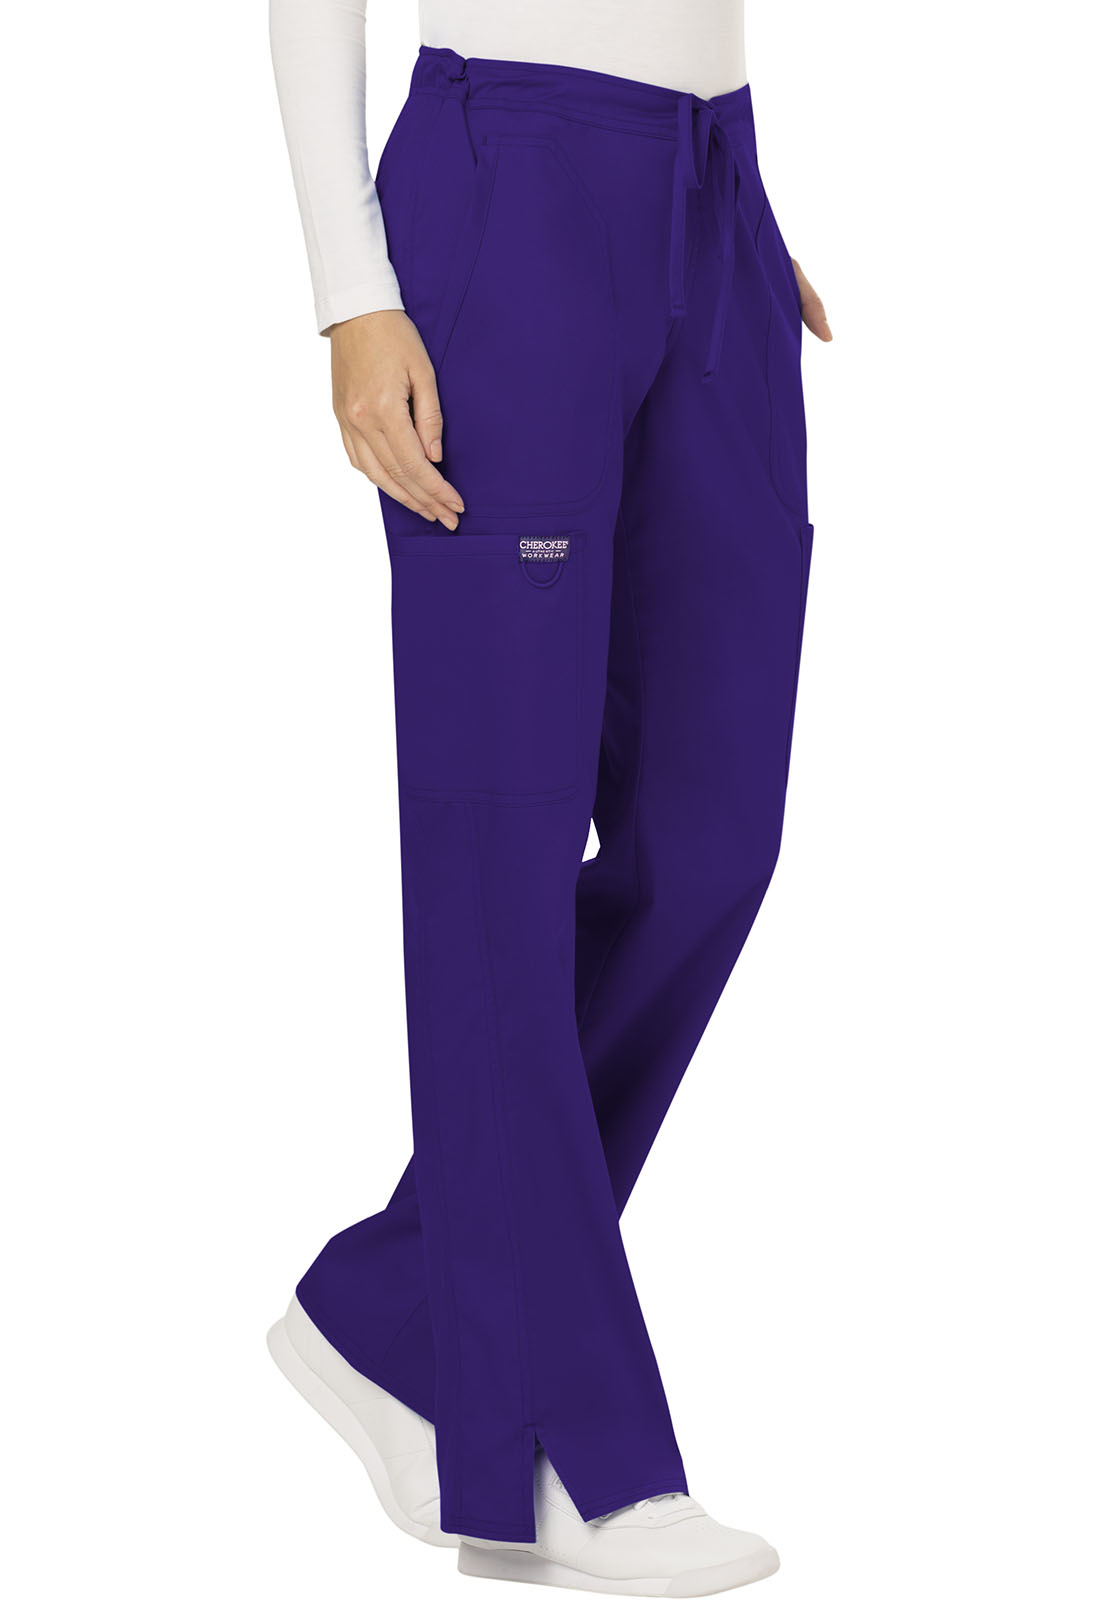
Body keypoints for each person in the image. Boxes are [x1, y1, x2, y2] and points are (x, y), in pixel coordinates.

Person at [267, 3, 831, 1593]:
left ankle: (398, 1317)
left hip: (711, 189)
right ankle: (560, 1442)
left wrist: (712, 225)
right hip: (510, 175)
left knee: (712, 833)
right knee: (499, 843)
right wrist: (351, 291)